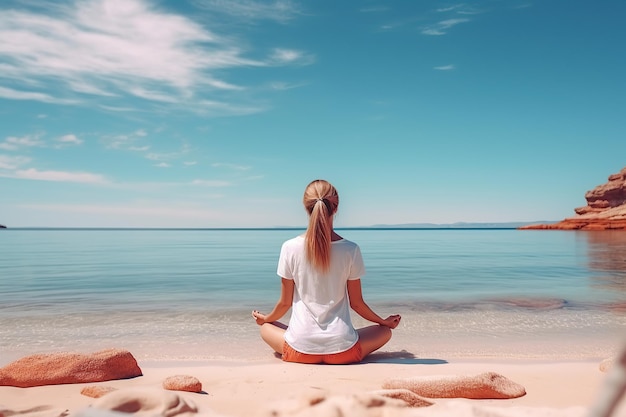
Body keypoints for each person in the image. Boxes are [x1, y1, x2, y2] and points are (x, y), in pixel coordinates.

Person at [252, 179, 401, 364]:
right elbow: (357, 304)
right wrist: (384, 322)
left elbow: (284, 303)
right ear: (336, 208)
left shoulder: (289, 247)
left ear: (306, 207)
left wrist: (266, 318)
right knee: (384, 332)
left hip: (299, 351)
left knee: (266, 327)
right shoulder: (350, 249)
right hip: (344, 351)